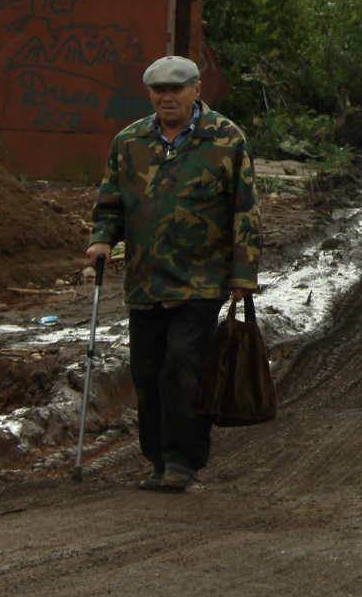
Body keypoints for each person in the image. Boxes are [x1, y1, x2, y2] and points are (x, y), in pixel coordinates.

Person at [86, 56, 260, 492]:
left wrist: (243, 273)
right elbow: (110, 201)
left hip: (200, 280)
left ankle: (183, 460)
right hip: (145, 280)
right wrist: (102, 237)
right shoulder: (130, 142)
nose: (167, 96)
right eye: (159, 89)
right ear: (149, 93)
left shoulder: (225, 139)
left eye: (176, 88)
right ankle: (158, 459)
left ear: (196, 90)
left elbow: (245, 209)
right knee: (146, 372)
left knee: (183, 365)